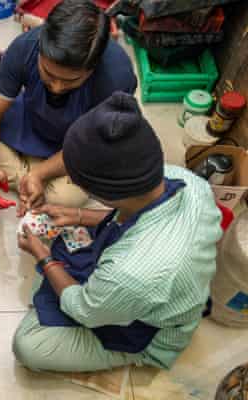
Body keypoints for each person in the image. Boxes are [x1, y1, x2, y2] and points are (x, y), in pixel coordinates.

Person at [13, 92, 222, 372]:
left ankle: (138, 356)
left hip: (150, 332)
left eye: (78, 180)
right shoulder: (188, 181)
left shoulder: (128, 274)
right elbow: (138, 215)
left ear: (106, 194)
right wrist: (78, 215)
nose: (73, 181)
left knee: (28, 346)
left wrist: (42, 255)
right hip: (154, 288)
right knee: (75, 246)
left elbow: (84, 309)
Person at [0, 0, 136, 211]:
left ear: (92, 68)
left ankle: (30, 176)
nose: (57, 87)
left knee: (67, 198)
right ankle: (31, 182)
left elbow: (92, 147)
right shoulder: (25, 46)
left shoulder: (116, 76)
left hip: (77, 145)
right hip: (32, 122)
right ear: (40, 49)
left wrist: (39, 173)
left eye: (70, 81)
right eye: (49, 74)